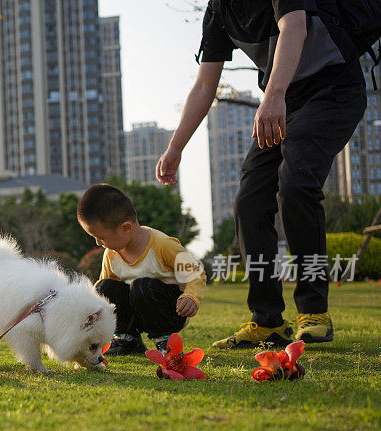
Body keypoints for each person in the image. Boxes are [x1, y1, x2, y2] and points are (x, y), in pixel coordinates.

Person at [156, 1, 366, 348]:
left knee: (296, 184)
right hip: (284, 102)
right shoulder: (219, 11)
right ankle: (267, 319)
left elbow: (294, 27)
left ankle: (314, 311)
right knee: (250, 203)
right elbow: (205, 86)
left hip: (333, 90)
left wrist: (274, 96)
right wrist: (175, 147)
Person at [77, 184, 206, 355]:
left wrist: (191, 297)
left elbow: (195, 273)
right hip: (136, 313)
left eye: (100, 237)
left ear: (125, 228)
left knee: (141, 286)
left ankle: (165, 340)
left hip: (171, 311)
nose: (98, 243)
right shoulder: (111, 254)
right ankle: (127, 338)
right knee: (103, 287)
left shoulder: (163, 245)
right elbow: (105, 296)